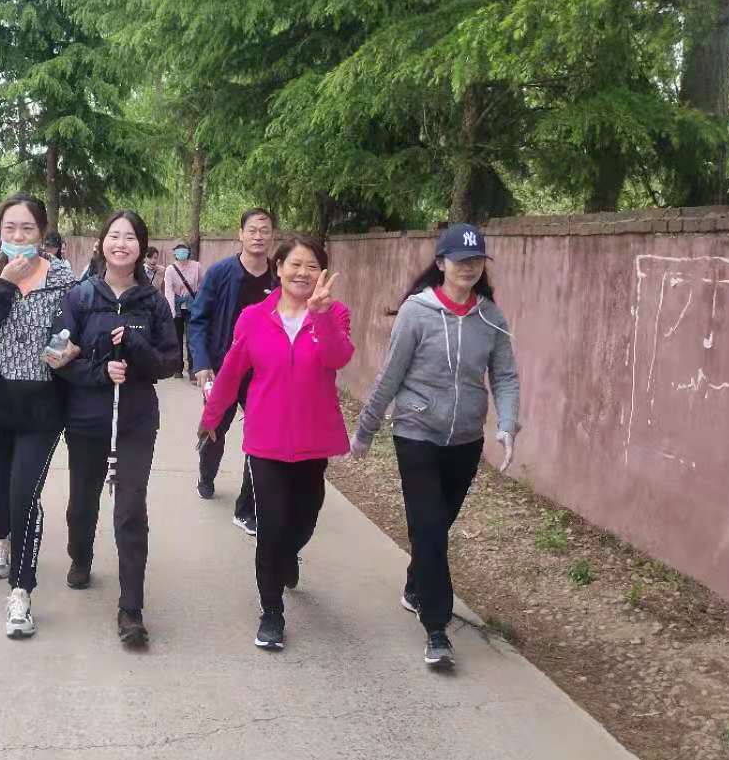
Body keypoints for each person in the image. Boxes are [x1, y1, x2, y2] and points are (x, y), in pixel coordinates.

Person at [350, 223, 519, 668]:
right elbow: (390, 374)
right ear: (441, 263)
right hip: (416, 432)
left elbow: (504, 375)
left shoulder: (490, 317)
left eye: (476, 260)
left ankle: (415, 584)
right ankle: (437, 628)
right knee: (428, 527)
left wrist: (507, 423)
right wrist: (366, 429)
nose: (469, 267)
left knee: (437, 526)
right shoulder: (417, 312)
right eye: (460, 260)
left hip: (465, 439)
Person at [199, 235, 351, 651]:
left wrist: (321, 316)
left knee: (305, 518)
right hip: (265, 440)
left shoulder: (335, 313)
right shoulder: (253, 317)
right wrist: (211, 419)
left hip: (313, 440)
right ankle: (271, 612)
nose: (303, 273)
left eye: (312, 266)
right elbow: (232, 370)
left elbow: (337, 358)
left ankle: (287, 556)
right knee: (270, 525)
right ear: (278, 268)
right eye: (295, 264)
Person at [52, 211, 179, 646]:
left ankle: (131, 609)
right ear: (102, 243)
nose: (121, 244)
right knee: (81, 503)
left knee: (129, 511)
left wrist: (138, 347)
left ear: (141, 247)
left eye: (130, 237)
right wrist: (99, 371)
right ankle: (81, 555)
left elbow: (170, 362)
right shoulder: (80, 296)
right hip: (87, 420)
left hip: (136, 421)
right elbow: (55, 358)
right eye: (114, 236)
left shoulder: (153, 303)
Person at [0, 193, 76, 639]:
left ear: (42, 233)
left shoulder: (63, 277)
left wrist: (73, 347)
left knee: (25, 495)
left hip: (41, 407)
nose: (18, 236)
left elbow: (77, 326)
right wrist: (4, 284)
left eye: (27, 228)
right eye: (10, 228)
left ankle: (21, 591)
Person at [187, 208, 278, 525]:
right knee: (215, 429)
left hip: (263, 374)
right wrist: (201, 363)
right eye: (252, 230)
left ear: (272, 236)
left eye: (264, 230)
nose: (258, 236)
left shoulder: (278, 277)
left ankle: (248, 505)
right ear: (240, 234)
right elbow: (198, 319)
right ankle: (206, 475)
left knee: (262, 437)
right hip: (222, 369)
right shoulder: (220, 273)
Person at [163, 241, 202, 378]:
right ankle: (178, 368)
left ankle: (193, 369)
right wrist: (171, 312)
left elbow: (202, 285)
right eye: (179, 250)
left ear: (188, 252)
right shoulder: (170, 269)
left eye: (184, 250)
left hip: (192, 305)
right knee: (177, 338)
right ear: (175, 253)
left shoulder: (197, 266)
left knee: (192, 338)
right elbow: (168, 291)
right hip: (176, 306)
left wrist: (201, 304)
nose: (181, 253)